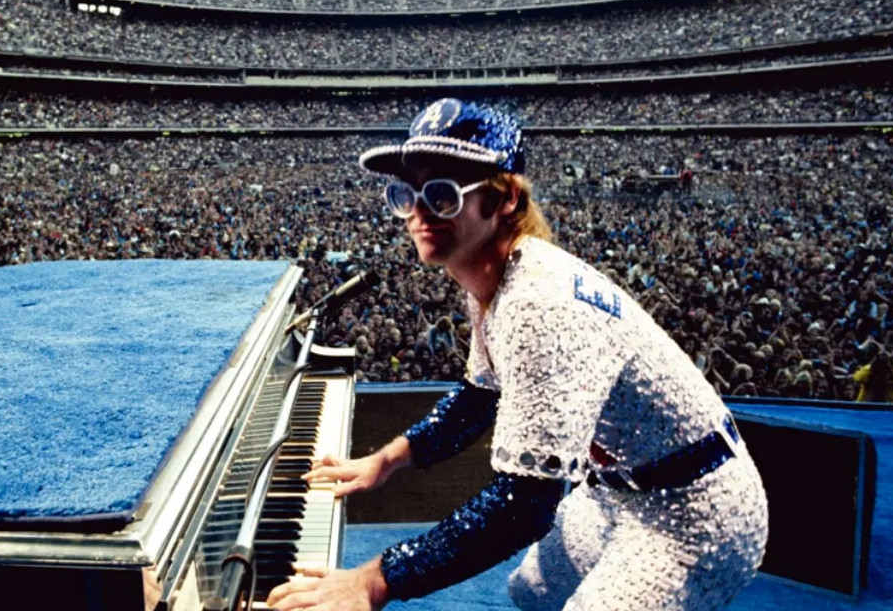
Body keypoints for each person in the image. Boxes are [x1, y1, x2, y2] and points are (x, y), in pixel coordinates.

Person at [267, 98, 769, 611]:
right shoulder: (492, 274)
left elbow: (524, 506)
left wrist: (376, 578)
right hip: (616, 488)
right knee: (531, 591)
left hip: (696, 510)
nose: (417, 212)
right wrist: (388, 460)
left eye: (440, 195)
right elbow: (479, 395)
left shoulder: (537, 303)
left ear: (503, 199)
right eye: (405, 194)